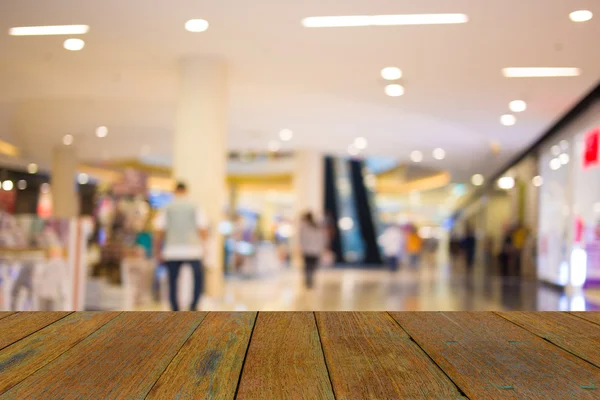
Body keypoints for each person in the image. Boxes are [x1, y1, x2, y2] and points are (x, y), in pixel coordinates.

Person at [154, 182, 208, 311]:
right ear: (186, 191)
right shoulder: (195, 207)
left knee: (173, 280)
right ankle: (194, 305)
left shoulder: (167, 208)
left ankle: (175, 307)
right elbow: (202, 229)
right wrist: (205, 247)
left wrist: (158, 250)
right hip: (193, 249)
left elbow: (159, 231)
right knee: (198, 278)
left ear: (175, 191)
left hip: (172, 249)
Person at [298, 211, 326, 289]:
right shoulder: (317, 226)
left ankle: (308, 280)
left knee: (307, 266)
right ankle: (310, 280)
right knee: (312, 266)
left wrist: (302, 248)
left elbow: (302, 239)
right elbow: (321, 239)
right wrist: (321, 248)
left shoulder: (304, 226)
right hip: (315, 250)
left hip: (307, 250)